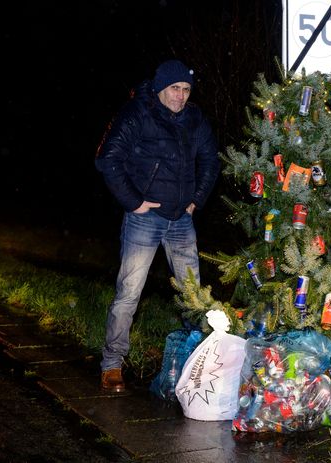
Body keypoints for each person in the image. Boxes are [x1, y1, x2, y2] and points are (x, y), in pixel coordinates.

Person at [95, 59, 221, 393]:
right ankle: (112, 364)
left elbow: (210, 160)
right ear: (160, 88)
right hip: (144, 218)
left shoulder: (194, 119)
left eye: (186, 90)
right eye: (175, 89)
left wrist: (197, 199)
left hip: (181, 219)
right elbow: (108, 158)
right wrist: (134, 201)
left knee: (192, 294)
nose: (181, 96)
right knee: (129, 292)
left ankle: (197, 361)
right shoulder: (137, 113)